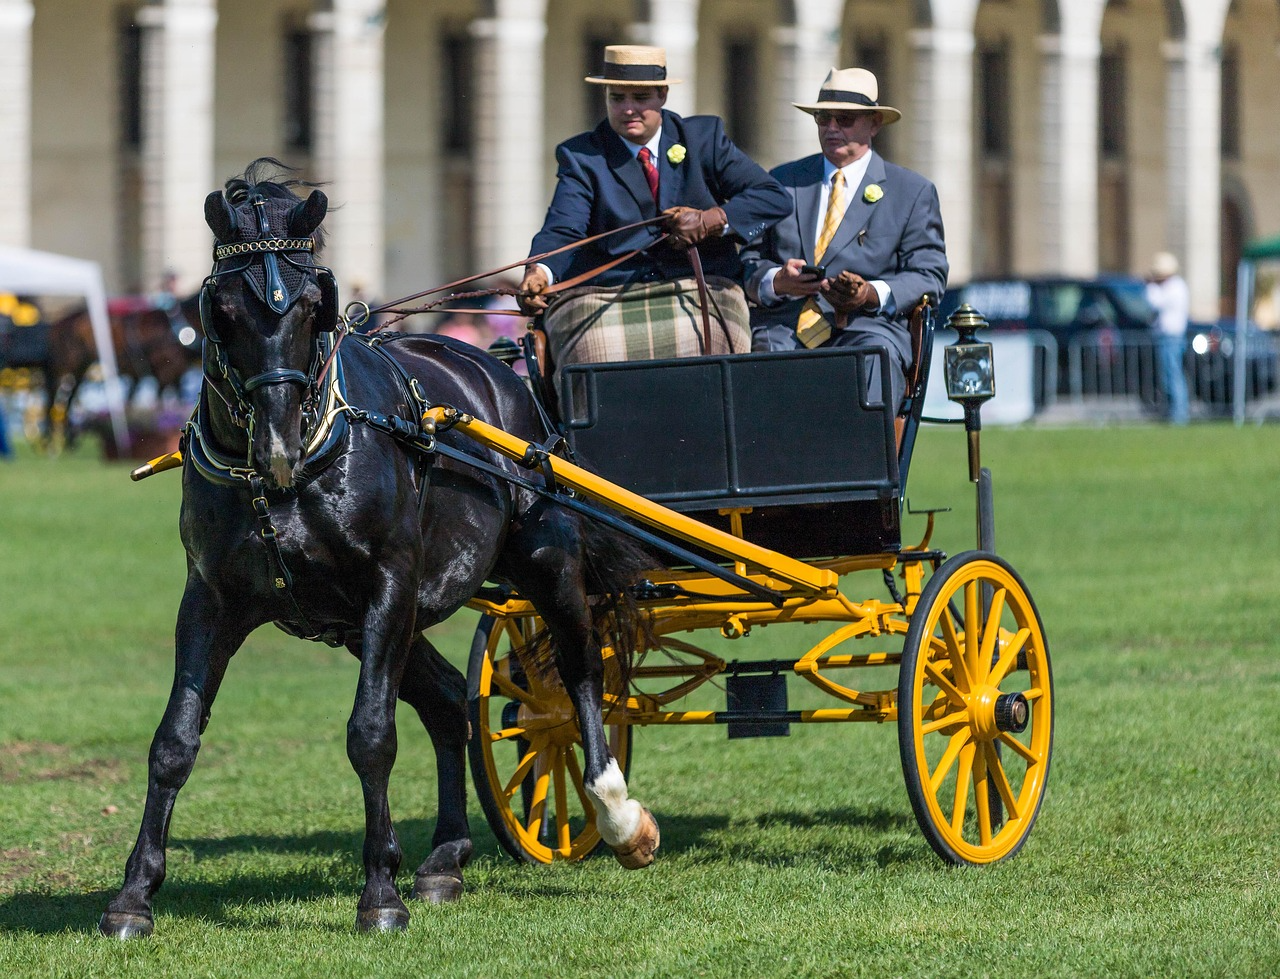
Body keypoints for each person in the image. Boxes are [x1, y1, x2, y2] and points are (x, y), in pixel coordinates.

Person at [518, 45, 790, 376]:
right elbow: (564, 228)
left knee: (721, 342)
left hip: (701, 284)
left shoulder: (705, 138)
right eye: (617, 98)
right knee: (591, 357)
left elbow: (772, 196)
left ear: (662, 95)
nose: (629, 109)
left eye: (641, 98)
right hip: (608, 293)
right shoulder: (581, 155)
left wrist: (711, 220)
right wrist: (539, 272)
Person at [740, 67, 948, 412]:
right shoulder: (782, 181)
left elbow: (929, 275)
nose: (832, 128)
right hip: (785, 327)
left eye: (845, 119)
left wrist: (868, 294)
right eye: (823, 118)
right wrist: (777, 281)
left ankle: (864, 466)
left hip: (868, 329)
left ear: (874, 124)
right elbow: (748, 261)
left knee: (871, 360)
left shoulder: (911, 192)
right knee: (759, 358)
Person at [1144, 251, 1190, 425]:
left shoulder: (1174, 287)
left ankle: (1179, 414)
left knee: (1173, 375)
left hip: (1171, 337)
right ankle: (1171, 411)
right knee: (1168, 376)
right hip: (1167, 337)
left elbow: (1155, 303)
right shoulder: (1172, 286)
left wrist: (1150, 286)